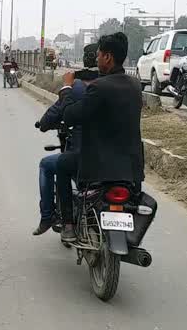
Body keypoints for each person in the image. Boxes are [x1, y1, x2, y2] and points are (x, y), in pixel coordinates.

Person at [57, 32, 144, 242]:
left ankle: (68, 224)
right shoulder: (135, 86)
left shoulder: (98, 87)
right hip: (131, 169)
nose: (96, 59)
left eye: (98, 55)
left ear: (107, 57)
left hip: (99, 166)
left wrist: (67, 87)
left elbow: (70, 116)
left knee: (61, 164)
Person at [33, 47, 98, 235]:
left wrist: (44, 124)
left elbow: (57, 112)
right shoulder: (114, 85)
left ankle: (48, 216)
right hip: (114, 157)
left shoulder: (76, 87)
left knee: (48, 165)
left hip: (82, 154)